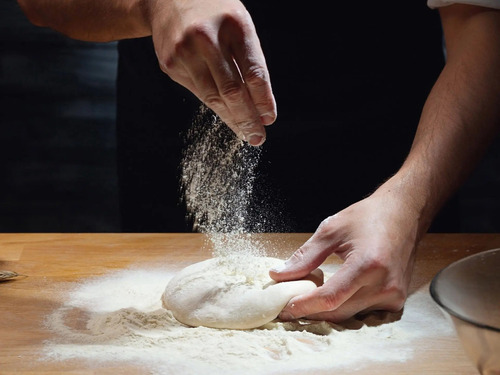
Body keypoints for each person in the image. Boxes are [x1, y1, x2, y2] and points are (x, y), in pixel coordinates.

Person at [17, 0, 500, 323]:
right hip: (179, 146)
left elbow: (483, 20)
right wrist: (154, 3)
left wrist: (409, 202)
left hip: (396, 161)